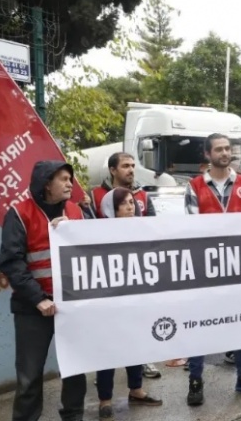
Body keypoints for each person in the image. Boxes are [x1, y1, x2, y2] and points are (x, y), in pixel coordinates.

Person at [183, 133, 241, 406]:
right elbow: (191, 229)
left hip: (238, 267)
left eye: (227, 149)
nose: (225, 153)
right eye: (218, 149)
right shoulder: (194, 186)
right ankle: (195, 379)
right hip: (206, 269)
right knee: (199, 323)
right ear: (207, 155)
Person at [0, 161, 88, 421]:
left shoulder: (76, 213)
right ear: (46, 184)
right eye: (63, 178)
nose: (70, 183)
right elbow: (11, 262)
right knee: (29, 376)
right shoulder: (19, 214)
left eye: (70, 178)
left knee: (75, 370)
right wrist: (39, 299)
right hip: (33, 309)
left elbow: (92, 252)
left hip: (71, 306)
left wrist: (74, 230)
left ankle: (73, 417)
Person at [89, 152, 165, 377]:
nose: (131, 170)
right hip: (108, 270)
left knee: (139, 320)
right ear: (113, 170)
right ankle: (105, 369)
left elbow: (152, 229)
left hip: (137, 268)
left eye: (133, 165)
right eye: (125, 166)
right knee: (110, 325)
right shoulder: (94, 196)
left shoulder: (143, 195)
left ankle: (142, 362)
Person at [94, 187, 163, 420]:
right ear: (111, 208)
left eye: (132, 202)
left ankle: (136, 389)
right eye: (124, 203)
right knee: (108, 349)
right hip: (109, 301)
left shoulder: (142, 231)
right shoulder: (97, 234)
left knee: (135, 344)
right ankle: (105, 398)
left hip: (135, 299)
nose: (130, 207)